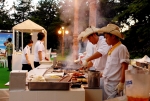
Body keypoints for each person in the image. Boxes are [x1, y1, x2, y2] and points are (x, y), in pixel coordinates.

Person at [98, 24, 130, 100]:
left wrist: (122, 83)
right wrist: (104, 73)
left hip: (114, 84)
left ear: (113, 36)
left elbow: (124, 66)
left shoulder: (121, 48)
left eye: (107, 37)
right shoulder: (112, 48)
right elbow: (111, 65)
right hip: (107, 82)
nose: (105, 40)